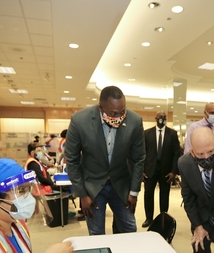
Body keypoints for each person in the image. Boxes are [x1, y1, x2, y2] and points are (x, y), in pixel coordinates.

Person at [64, 85, 145, 235]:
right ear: (101, 108)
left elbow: (138, 159)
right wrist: (82, 194)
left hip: (121, 185)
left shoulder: (135, 121)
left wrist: (134, 192)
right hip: (93, 187)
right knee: (96, 233)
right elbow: (72, 160)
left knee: (130, 229)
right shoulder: (80, 120)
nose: (119, 117)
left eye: (122, 112)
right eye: (113, 113)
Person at [141, 111, 181, 228]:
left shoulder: (172, 134)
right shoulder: (147, 133)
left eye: (164, 117)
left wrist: (174, 171)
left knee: (165, 195)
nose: (162, 119)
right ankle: (149, 218)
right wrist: (142, 170)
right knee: (148, 194)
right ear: (155, 118)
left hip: (166, 170)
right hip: (150, 170)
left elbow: (176, 153)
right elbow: (142, 153)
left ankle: (163, 218)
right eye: (160, 117)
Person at [25, 143, 54, 216]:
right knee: (63, 189)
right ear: (32, 152)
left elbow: (45, 171)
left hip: (40, 186)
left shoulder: (35, 161)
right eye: (38, 150)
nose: (41, 152)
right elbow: (41, 178)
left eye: (41, 150)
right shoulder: (32, 163)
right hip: (38, 188)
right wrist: (52, 183)